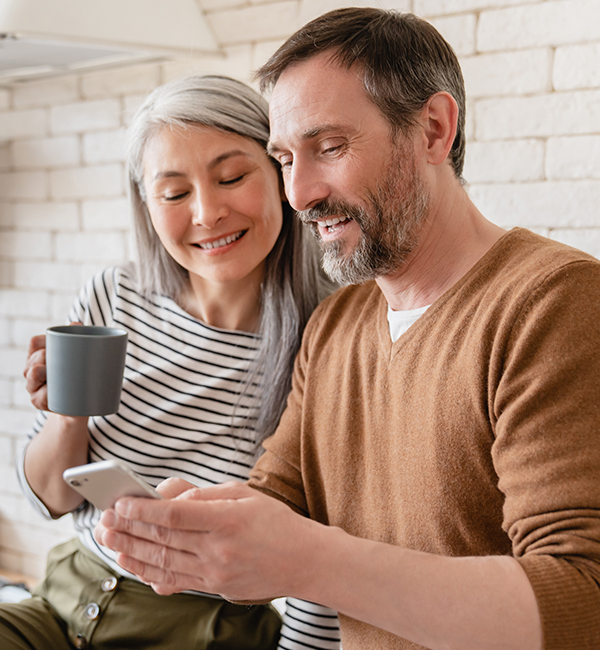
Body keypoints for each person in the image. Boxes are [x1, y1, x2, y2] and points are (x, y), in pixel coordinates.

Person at [94, 8, 600, 650]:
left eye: (329, 147)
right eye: (284, 158)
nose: (299, 193)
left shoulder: (553, 302)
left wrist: (308, 559)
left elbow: (583, 600)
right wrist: (198, 529)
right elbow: (276, 499)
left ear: (434, 130)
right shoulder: (336, 325)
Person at [2, 74, 341, 650]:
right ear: (147, 204)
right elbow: (50, 498)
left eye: (231, 177)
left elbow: (330, 550)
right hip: (65, 597)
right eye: (175, 193)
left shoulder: (331, 334)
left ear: (281, 173)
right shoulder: (115, 295)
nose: (207, 213)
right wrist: (66, 414)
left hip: (204, 628)